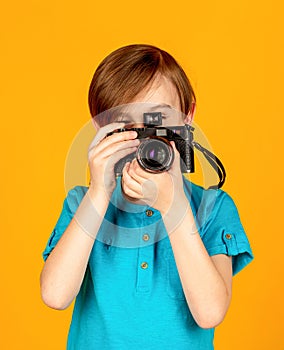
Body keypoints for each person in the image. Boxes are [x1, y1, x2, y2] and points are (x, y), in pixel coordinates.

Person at [40, 44, 253, 350]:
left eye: (158, 120)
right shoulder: (82, 203)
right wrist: (99, 192)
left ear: (187, 116)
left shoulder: (213, 208)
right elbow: (55, 295)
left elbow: (210, 313)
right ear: (102, 128)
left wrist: (174, 205)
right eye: (127, 125)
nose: (146, 139)